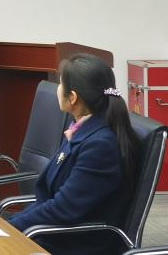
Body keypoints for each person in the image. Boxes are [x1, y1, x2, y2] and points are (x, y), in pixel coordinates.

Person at [8, 54, 140, 255]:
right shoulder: (82, 129)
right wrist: (9, 224)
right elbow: (49, 200)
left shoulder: (101, 146)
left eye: (60, 83)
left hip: (75, 243)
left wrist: (9, 229)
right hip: (55, 233)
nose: (57, 89)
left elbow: (63, 209)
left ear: (73, 97)